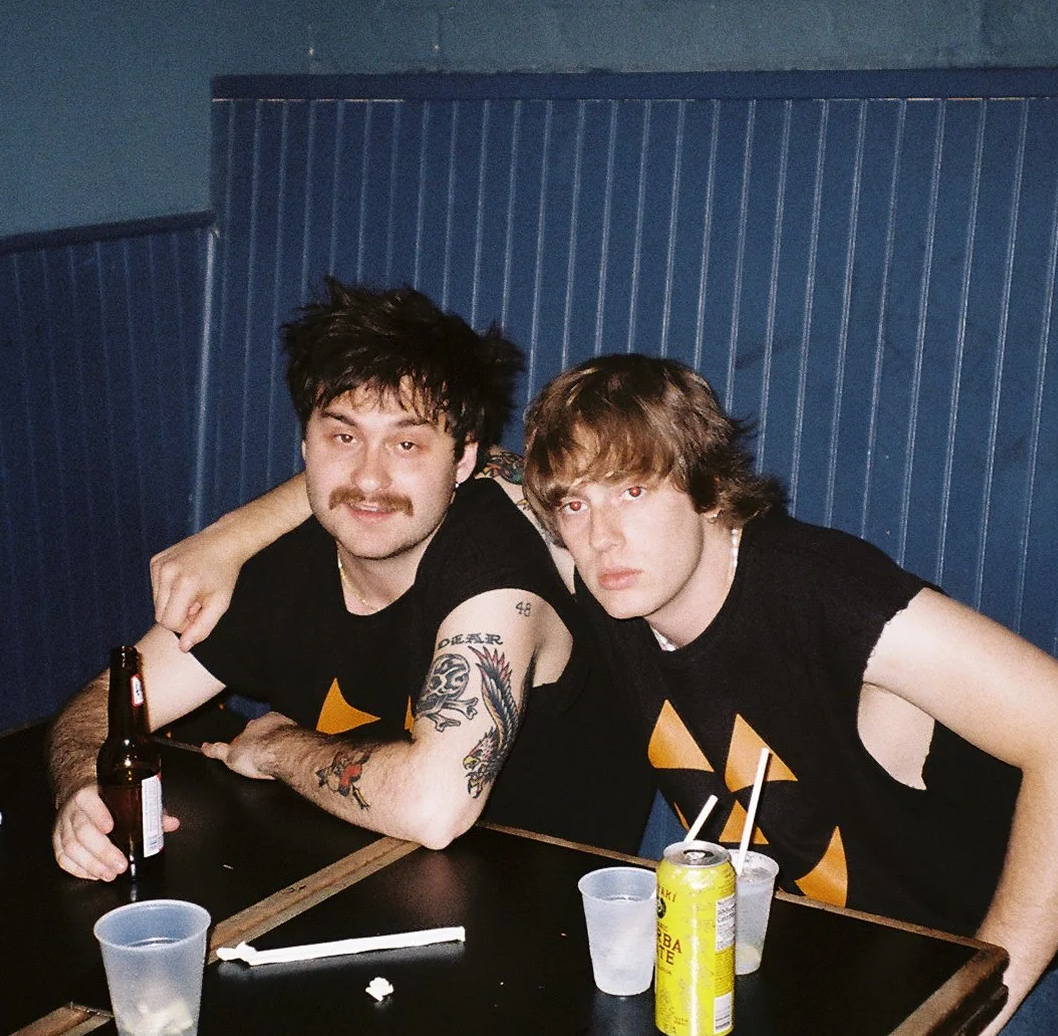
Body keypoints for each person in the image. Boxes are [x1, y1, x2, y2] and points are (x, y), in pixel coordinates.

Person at [148, 352, 1058, 1036]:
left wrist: (982, 998)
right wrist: (231, 536)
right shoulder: (608, 586)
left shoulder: (821, 591)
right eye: (576, 504)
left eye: (635, 489)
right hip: (809, 949)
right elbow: (407, 470)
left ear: (710, 487)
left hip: (990, 952)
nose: (603, 534)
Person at [47, 281, 651, 881]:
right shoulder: (282, 561)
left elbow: (434, 807)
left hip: (552, 909)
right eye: (343, 436)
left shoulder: (496, 567)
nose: (368, 478)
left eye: (407, 444)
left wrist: (279, 748)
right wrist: (82, 785)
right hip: (363, 885)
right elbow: (105, 705)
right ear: (305, 445)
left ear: (464, 459)